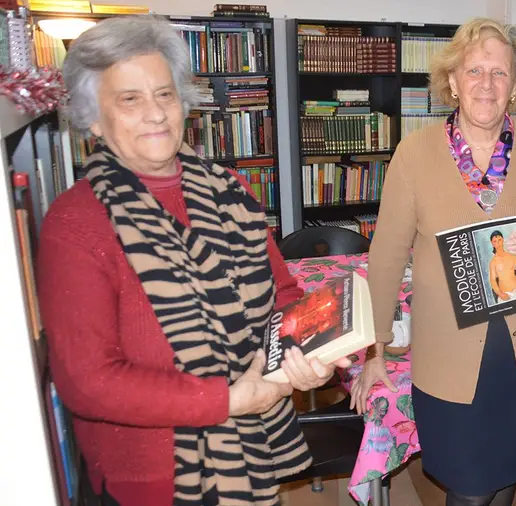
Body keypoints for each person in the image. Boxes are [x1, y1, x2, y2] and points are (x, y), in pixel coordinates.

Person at [36, 15, 349, 506]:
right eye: (130, 99)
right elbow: (88, 383)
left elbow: (283, 297)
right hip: (153, 477)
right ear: (93, 118)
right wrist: (227, 401)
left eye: (165, 94)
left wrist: (309, 354)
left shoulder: (231, 191)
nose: (156, 113)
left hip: (252, 453)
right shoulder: (76, 223)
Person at [349, 17, 516, 506]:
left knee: (504, 481)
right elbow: (386, 254)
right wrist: (375, 351)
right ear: (452, 81)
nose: (486, 85)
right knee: (469, 490)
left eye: (499, 73)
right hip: (450, 363)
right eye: (474, 71)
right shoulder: (415, 152)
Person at [488, 230, 516, 302]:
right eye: (495, 241)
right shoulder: (493, 262)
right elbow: (493, 281)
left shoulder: (512, 256)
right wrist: (501, 294)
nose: (498, 242)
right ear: (492, 243)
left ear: (503, 240)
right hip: (505, 295)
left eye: (499, 240)